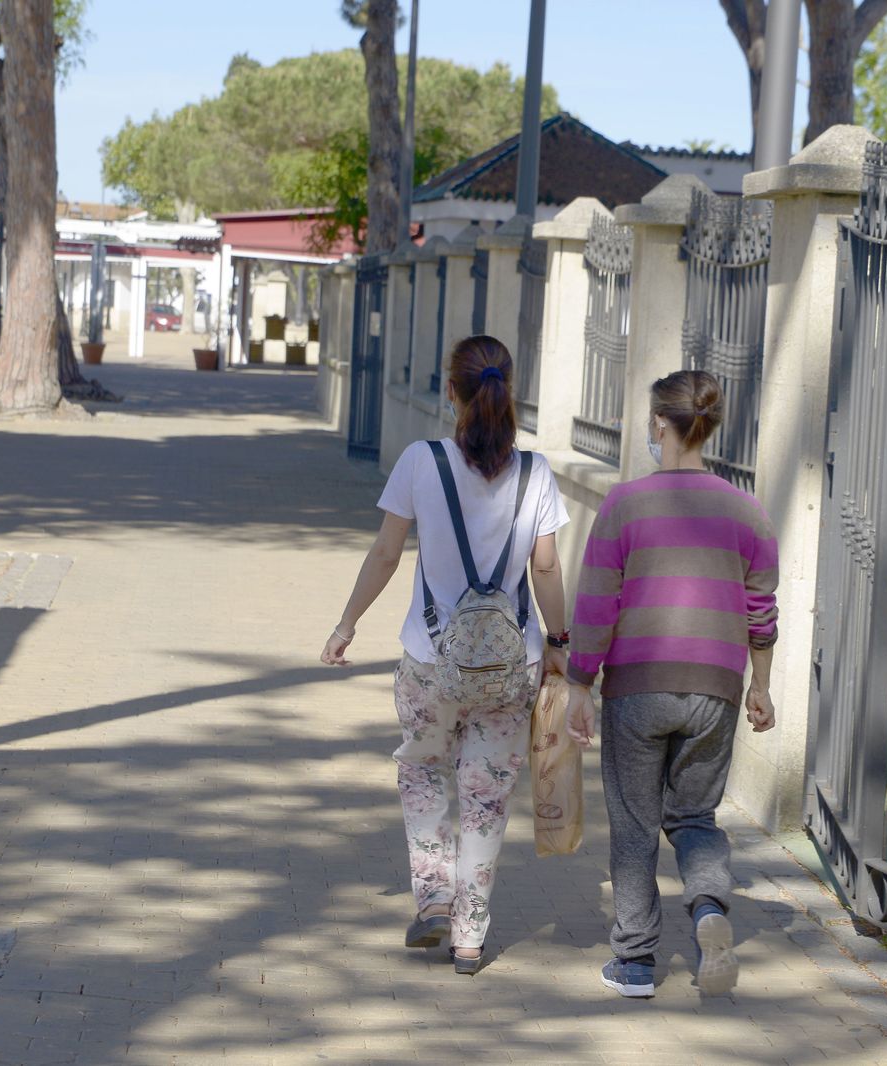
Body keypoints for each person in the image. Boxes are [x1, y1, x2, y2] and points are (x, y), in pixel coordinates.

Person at [320, 335, 571, 975]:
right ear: (507, 389)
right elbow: (545, 567)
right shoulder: (537, 473)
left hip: (430, 662)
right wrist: (561, 647)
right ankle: (469, 937)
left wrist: (347, 623)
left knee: (423, 769)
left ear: (451, 390)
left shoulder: (420, 462)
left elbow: (384, 553)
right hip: (511, 667)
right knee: (485, 795)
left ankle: (433, 895)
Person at [565, 369, 779, 999]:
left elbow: (598, 604)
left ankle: (634, 964)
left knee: (634, 823)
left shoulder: (624, 503)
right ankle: (709, 909)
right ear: (709, 426)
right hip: (716, 688)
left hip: (638, 684)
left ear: (659, 422)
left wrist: (580, 682)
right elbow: (761, 609)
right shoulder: (748, 511)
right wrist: (759, 686)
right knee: (694, 817)